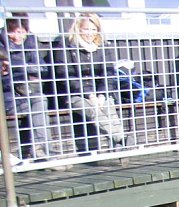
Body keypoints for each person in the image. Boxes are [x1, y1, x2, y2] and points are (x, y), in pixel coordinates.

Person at [50, 13, 125, 153]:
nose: (90, 33)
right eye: (86, 29)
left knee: (109, 109)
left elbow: (108, 73)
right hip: (75, 94)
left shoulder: (103, 46)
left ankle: (119, 146)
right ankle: (122, 140)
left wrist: (102, 94)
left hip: (99, 93)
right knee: (95, 110)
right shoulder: (65, 46)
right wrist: (89, 94)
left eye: (93, 29)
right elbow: (65, 74)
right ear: (78, 28)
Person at [0, 14, 52, 161]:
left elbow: (42, 69)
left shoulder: (31, 42)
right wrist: (26, 72)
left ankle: (41, 149)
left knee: (40, 100)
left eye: (21, 31)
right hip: (8, 97)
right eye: (14, 31)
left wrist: (15, 68)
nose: (18, 36)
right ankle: (44, 151)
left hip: (29, 92)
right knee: (38, 103)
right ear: (6, 30)